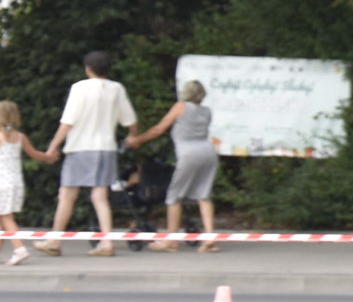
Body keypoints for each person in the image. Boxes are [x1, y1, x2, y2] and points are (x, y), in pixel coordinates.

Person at [35, 52, 136, 257]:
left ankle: (55, 240)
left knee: (67, 195)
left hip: (80, 147)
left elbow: (68, 122)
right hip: (106, 147)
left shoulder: (79, 88)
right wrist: (133, 136)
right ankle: (107, 242)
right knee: (100, 196)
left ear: (88, 68)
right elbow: (130, 120)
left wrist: (52, 147)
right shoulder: (116, 89)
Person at [128, 79, 220, 253]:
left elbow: (159, 129)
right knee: (204, 195)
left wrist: (138, 140)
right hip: (208, 152)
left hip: (189, 154)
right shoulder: (206, 111)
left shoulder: (181, 107)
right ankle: (209, 239)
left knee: (174, 196)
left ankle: (171, 240)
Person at [0, 100, 57, 266]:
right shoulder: (20, 137)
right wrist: (49, 156)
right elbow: (35, 154)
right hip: (16, 182)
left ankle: (19, 250)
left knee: (6, 218)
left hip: (2, 183)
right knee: (2, 219)